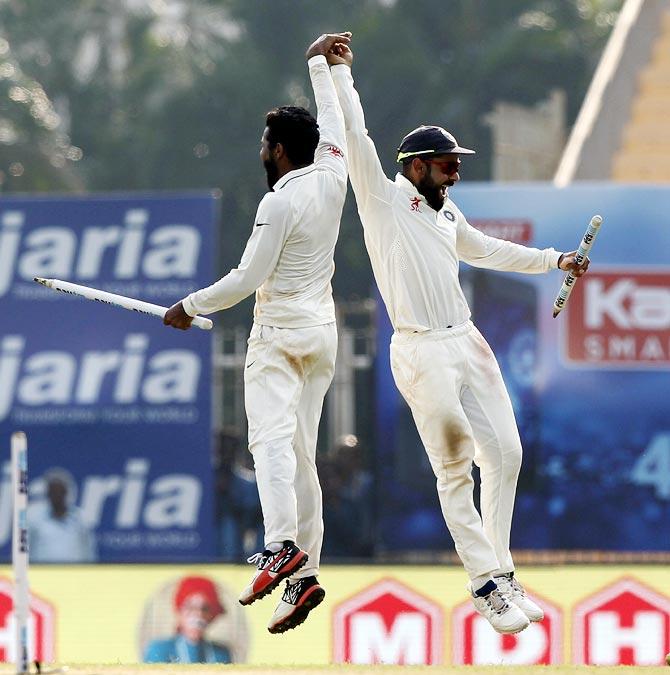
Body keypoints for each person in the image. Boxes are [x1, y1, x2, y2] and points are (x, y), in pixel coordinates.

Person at [327, 39, 589, 634]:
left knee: (508, 454)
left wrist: (555, 260)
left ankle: (502, 568)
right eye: (447, 163)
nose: (457, 169)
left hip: (465, 340)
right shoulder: (385, 200)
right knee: (456, 469)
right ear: (416, 165)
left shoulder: (447, 212)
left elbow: (487, 250)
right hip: (420, 350)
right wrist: (338, 73)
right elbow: (360, 142)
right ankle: (483, 584)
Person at [163, 32, 350, 634]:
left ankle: (279, 547)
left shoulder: (279, 202)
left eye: (263, 144)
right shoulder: (334, 175)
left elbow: (247, 278)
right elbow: (336, 123)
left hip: (278, 336)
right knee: (300, 459)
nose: (261, 150)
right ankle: (303, 578)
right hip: (323, 335)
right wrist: (321, 65)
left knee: (269, 444)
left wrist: (187, 306)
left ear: (276, 149)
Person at [143, 575, 232, 663]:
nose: (198, 614)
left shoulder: (221, 654)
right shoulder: (159, 650)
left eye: (204, 609)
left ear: (211, 616)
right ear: (179, 612)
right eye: (190, 607)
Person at [28, 468, 97, 563]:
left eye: (59, 491)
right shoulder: (35, 520)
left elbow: (88, 550)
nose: (56, 496)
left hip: (74, 574)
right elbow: (28, 550)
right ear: (48, 494)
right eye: (53, 492)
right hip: (43, 573)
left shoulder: (81, 519)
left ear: (66, 493)